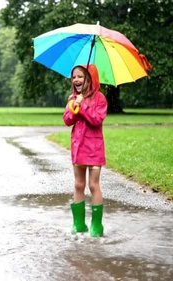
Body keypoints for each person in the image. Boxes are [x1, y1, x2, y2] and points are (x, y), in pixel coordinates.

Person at [63, 64, 107, 237]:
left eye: (80, 76)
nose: (76, 80)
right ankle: (79, 223)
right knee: (78, 184)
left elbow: (97, 119)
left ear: (90, 78)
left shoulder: (100, 99)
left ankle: (96, 225)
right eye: (74, 77)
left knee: (93, 184)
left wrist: (83, 107)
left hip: (94, 148)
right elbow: (67, 120)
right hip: (78, 147)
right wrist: (74, 106)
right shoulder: (72, 98)